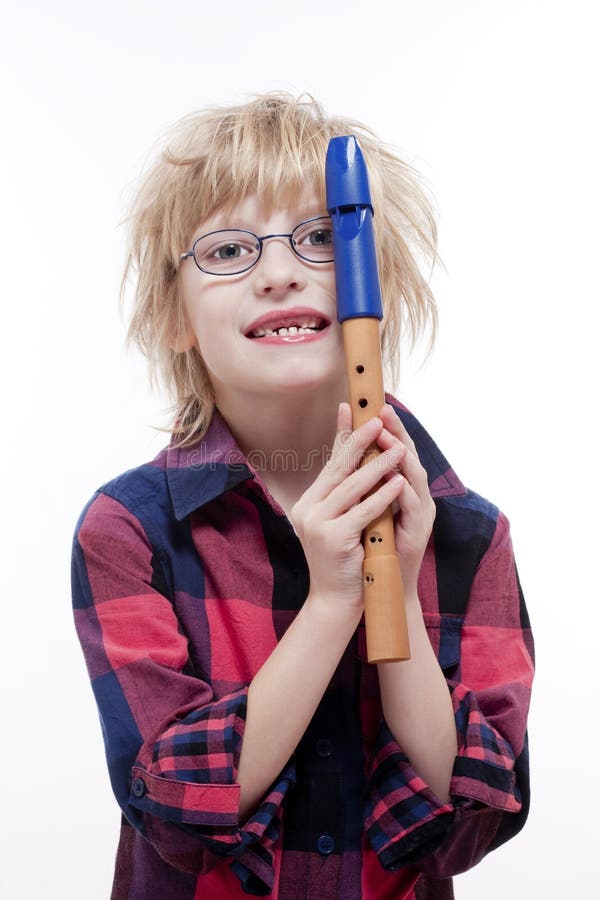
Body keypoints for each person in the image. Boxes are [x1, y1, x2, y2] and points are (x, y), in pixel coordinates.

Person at [71, 93, 534, 900]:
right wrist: (330, 602)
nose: (279, 270)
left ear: (373, 285)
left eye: (321, 238)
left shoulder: (470, 534)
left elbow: (474, 819)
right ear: (176, 316)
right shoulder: (127, 531)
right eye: (226, 251)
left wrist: (396, 580)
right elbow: (177, 815)